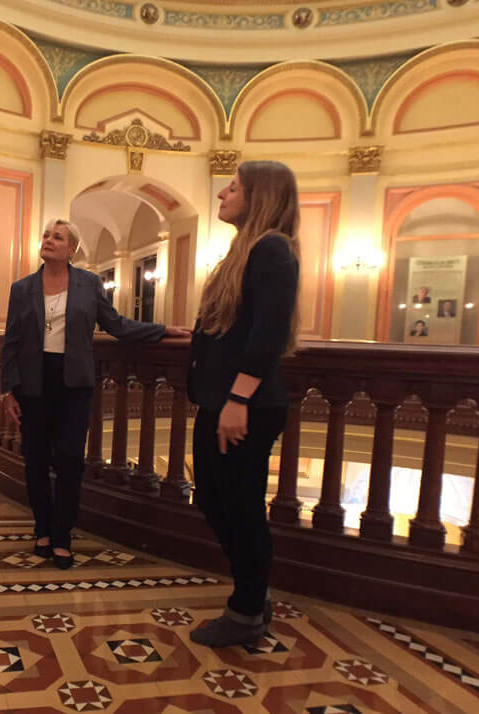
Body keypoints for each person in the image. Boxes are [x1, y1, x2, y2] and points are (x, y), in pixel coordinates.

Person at [0, 220, 188, 569]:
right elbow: (11, 342)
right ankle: (42, 529)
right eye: (46, 236)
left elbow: (116, 324)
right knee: (37, 460)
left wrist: (161, 330)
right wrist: (7, 391)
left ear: (72, 249)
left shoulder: (89, 284)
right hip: (34, 385)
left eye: (58, 237)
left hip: (74, 385)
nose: (49, 241)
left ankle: (62, 535)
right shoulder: (22, 288)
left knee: (70, 460)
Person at [187, 160, 300, 648]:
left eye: (232, 188)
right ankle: (253, 595)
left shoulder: (273, 250)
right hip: (225, 399)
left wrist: (237, 399)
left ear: (260, 195)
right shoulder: (247, 250)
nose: (222, 195)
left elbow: (268, 335)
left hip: (246, 403)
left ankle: (248, 610)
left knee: (241, 506)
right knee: (214, 497)